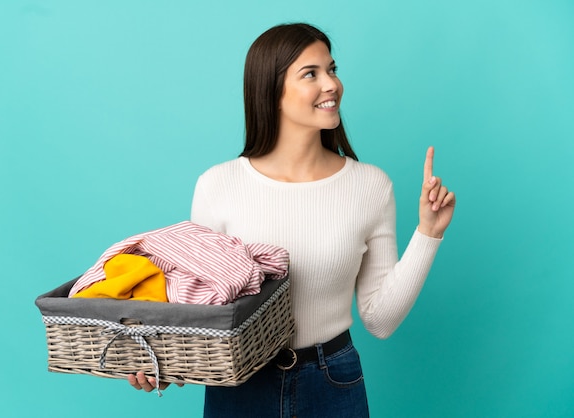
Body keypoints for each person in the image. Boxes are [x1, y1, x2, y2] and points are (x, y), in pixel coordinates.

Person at [128, 22, 455, 417]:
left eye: (332, 70)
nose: (331, 84)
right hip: (240, 384)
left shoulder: (370, 186)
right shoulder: (219, 184)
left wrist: (428, 233)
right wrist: (162, 364)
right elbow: (201, 303)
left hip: (332, 381)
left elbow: (380, 320)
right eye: (311, 74)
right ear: (272, 92)